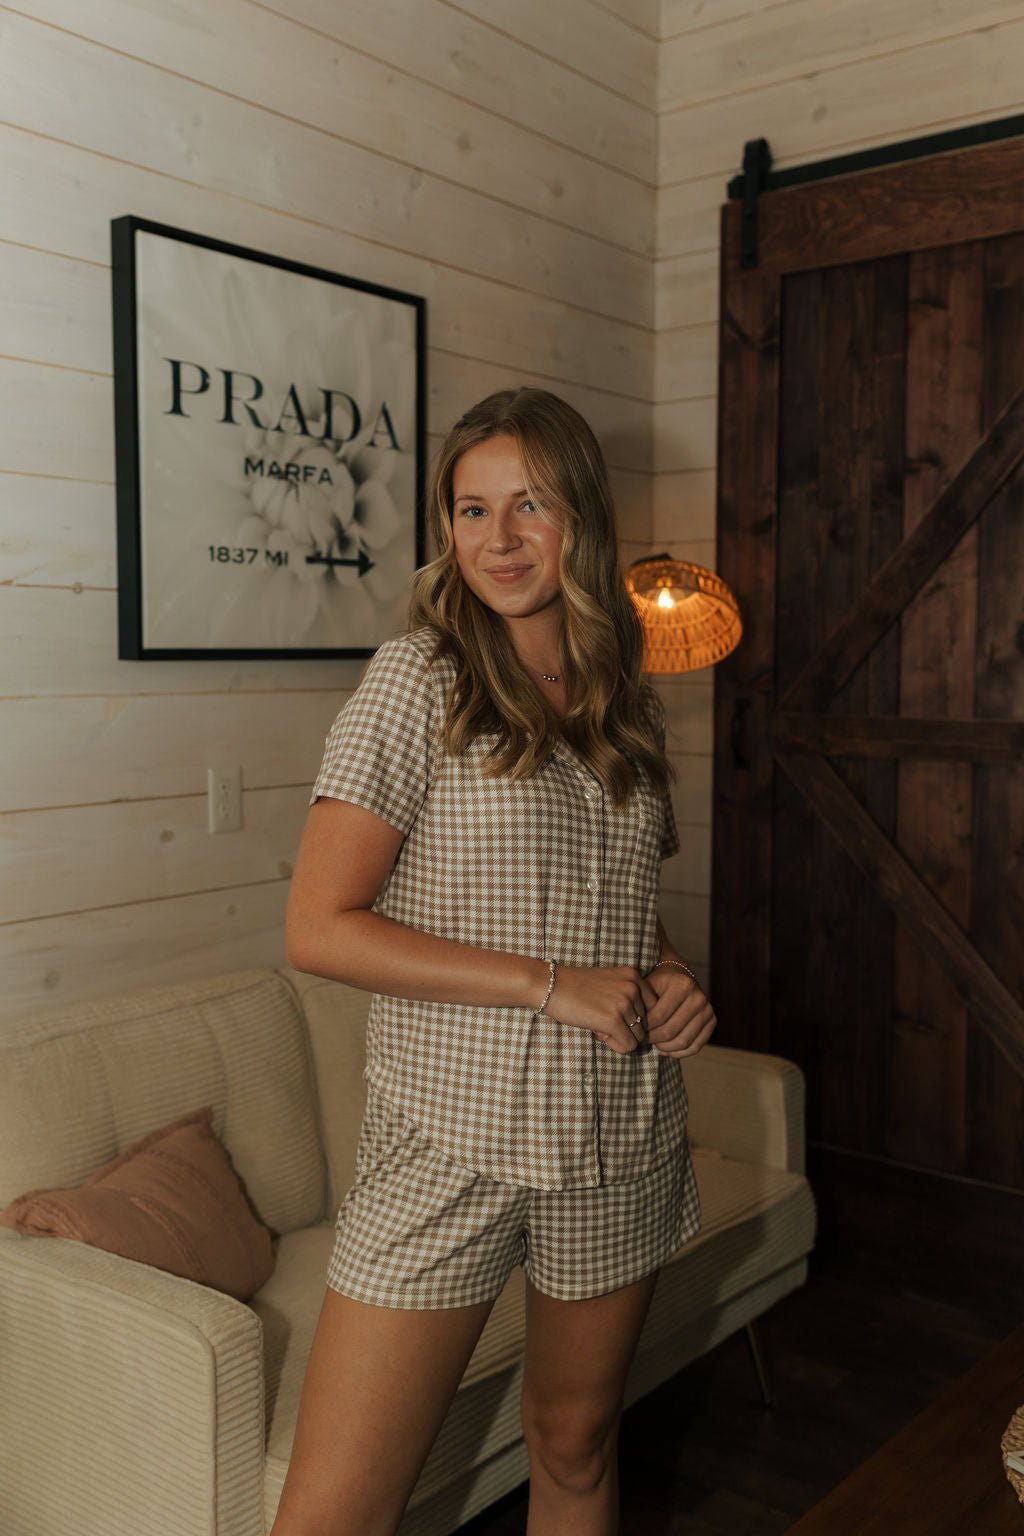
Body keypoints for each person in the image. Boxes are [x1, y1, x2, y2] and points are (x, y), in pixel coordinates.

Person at [274, 386, 717, 1536]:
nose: (500, 539)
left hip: (617, 1132)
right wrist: (545, 986)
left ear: (581, 517)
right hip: (448, 1137)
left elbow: (624, 913)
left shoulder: (626, 699)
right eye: (473, 510)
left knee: (574, 1442)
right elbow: (319, 927)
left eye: (531, 505)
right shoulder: (417, 679)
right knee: (333, 1516)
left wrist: (669, 979)